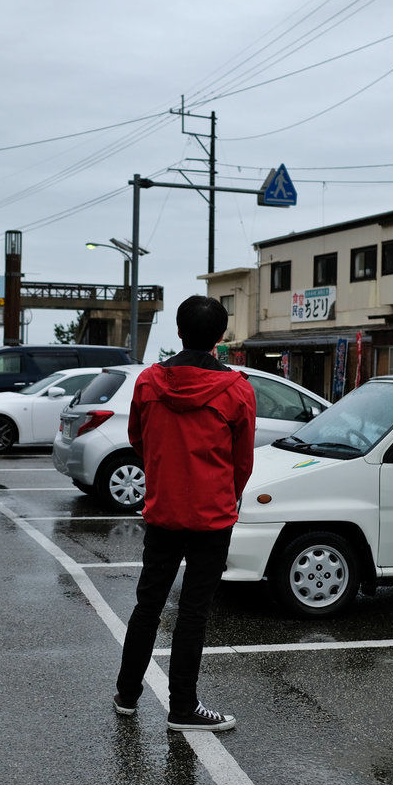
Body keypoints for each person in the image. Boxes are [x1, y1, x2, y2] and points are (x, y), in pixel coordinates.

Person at [113, 295, 256, 732]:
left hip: (161, 511)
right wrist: (226, 495)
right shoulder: (236, 389)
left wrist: (164, 470)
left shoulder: (149, 382)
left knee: (147, 605)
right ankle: (183, 708)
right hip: (211, 517)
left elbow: (137, 438)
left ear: (178, 330)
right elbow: (242, 460)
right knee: (193, 612)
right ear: (221, 336)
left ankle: (127, 694)